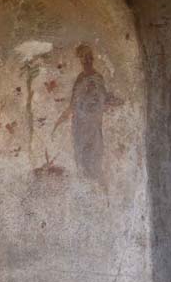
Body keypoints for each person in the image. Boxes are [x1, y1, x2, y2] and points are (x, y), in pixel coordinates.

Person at [53, 44, 123, 184]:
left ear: (92, 59)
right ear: (81, 60)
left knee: (95, 153)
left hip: (93, 124)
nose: (87, 61)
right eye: (84, 58)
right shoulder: (80, 78)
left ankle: (96, 183)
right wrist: (60, 120)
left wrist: (114, 101)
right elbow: (74, 102)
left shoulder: (98, 77)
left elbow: (103, 98)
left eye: (89, 57)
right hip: (80, 124)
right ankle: (86, 184)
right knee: (82, 153)